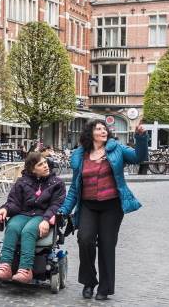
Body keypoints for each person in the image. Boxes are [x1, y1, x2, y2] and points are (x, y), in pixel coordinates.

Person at [58, 120, 148, 301]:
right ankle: (89, 282)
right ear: (90, 133)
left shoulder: (117, 150)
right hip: (88, 205)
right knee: (85, 240)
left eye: (104, 128)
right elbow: (75, 188)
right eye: (98, 128)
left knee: (107, 244)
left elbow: (139, 157)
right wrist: (64, 210)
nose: (103, 131)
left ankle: (105, 288)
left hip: (112, 206)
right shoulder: (79, 155)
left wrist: (140, 137)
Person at [0, 152, 66, 284]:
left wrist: (46, 220)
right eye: (40, 164)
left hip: (42, 215)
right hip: (23, 214)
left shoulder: (57, 183)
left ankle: (25, 269)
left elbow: (56, 205)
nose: (45, 166)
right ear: (32, 169)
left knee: (29, 231)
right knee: (12, 227)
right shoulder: (22, 182)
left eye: (45, 162)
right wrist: (5, 209)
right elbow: (14, 202)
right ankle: (5, 267)